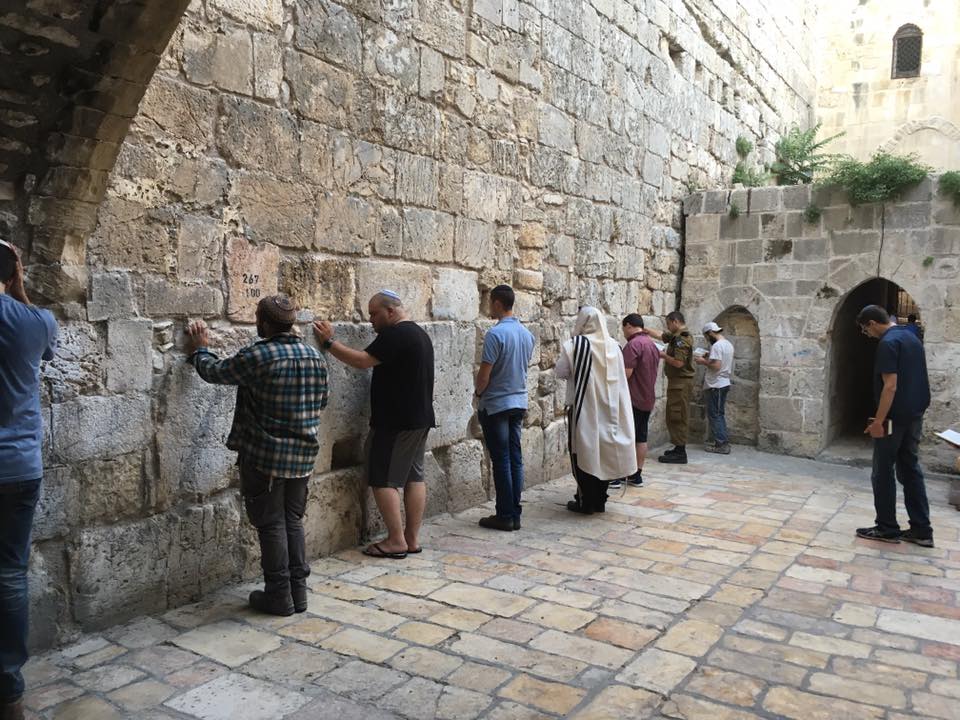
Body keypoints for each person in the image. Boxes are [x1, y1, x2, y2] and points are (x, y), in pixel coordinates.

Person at [186, 295, 328, 616]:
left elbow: (216, 372)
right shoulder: (314, 356)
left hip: (266, 457)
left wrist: (199, 349)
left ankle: (279, 595)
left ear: (263, 322)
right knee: (292, 520)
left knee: (271, 523)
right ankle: (298, 593)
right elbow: (322, 401)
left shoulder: (259, 355)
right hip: (303, 456)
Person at [313, 291, 435, 559]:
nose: (370, 321)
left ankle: (395, 541)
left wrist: (329, 343)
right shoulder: (420, 334)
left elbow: (362, 360)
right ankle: (411, 539)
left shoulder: (395, 335)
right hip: (420, 419)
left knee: (382, 480)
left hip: (395, 422)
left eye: (374, 313)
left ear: (390, 311)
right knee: (414, 477)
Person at [0, 240, 58, 720]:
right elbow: (43, 334)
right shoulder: (35, 322)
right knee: (8, 573)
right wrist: (19, 285)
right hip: (18, 467)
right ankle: (9, 693)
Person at [855, 304, 934, 547]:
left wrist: (878, 421)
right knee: (910, 469)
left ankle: (887, 527)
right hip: (914, 414)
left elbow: (890, 385)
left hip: (893, 419)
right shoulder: (911, 337)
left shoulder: (888, 344)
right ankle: (921, 530)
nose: (868, 336)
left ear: (871, 323)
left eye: (865, 331)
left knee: (882, 472)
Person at [556, 307, 637, 514]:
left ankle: (586, 500)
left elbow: (561, 371)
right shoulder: (615, 346)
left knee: (583, 450)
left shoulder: (575, 345)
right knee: (606, 451)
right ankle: (600, 498)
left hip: (584, 407)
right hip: (612, 408)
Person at [474, 285, 536, 531]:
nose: (489, 307)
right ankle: (515, 513)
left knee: (501, 460)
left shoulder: (495, 334)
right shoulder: (526, 334)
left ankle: (505, 515)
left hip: (497, 404)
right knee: (515, 459)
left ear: (498, 303)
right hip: (518, 402)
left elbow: (485, 374)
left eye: (491, 302)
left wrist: (478, 393)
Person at [613, 314, 660, 489]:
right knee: (641, 437)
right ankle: (636, 475)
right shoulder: (652, 345)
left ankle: (617, 477)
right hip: (647, 397)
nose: (624, 332)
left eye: (624, 328)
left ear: (630, 326)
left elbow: (626, 374)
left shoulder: (633, 345)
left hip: (632, 399)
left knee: (624, 436)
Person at [642, 311, 694, 464]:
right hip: (678, 383)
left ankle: (680, 452)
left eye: (668, 324)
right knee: (674, 414)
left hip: (681, 383)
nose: (667, 327)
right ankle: (678, 448)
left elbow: (679, 363)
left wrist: (663, 355)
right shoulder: (678, 335)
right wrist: (646, 331)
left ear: (675, 322)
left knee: (677, 415)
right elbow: (662, 336)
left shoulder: (681, 339)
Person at [695, 321, 734, 454]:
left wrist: (702, 361)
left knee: (715, 415)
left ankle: (721, 444)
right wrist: (709, 357)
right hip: (722, 383)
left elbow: (716, 366)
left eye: (707, 336)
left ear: (710, 333)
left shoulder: (717, 346)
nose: (707, 339)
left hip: (716, 385)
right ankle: (722, 441)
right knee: (719, 414)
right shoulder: (727, 344)